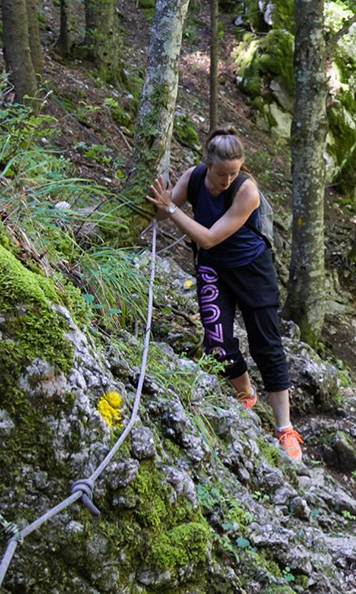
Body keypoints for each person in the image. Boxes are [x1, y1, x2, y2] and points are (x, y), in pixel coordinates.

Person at [146, 127, 302, 461]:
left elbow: (209, 238)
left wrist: (173, 212)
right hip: (213, 268)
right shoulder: (193, 177)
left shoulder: (247, 192)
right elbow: (162, 210)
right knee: (216, 339)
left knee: (266, 344)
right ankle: (245, 394)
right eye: (221, 173)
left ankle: (285, 428)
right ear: (208, 164)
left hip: (252, 270)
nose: (228, 180)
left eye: (234, 172)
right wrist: (161, 199)